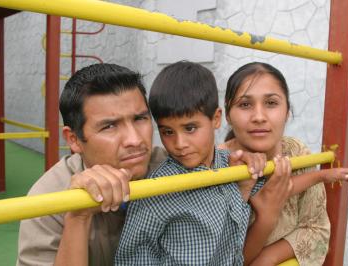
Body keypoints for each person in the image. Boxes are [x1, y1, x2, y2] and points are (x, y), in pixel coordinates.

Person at [114, 61, 269, 265]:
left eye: (190, 128)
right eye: (167, 132)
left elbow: (271, 192)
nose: (179, 144)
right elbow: (131, 260)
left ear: (215, 119)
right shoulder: (156, 191)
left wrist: (253, 173)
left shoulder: (231, 166)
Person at [16, 63, 167, 266]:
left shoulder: (174, 168)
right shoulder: (47, 199)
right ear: (74, 140)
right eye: (109, 126)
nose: (135, 139)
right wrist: (78, 216)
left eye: (140, 118)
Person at [219, 62, 348, 266]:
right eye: (245, 105)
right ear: (228, 116)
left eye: (271, 103)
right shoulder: (215, 167)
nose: (259, 117)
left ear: (287, 112)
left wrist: (267, 258)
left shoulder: (296, 153)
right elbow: (213, 252)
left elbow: (317, 230)